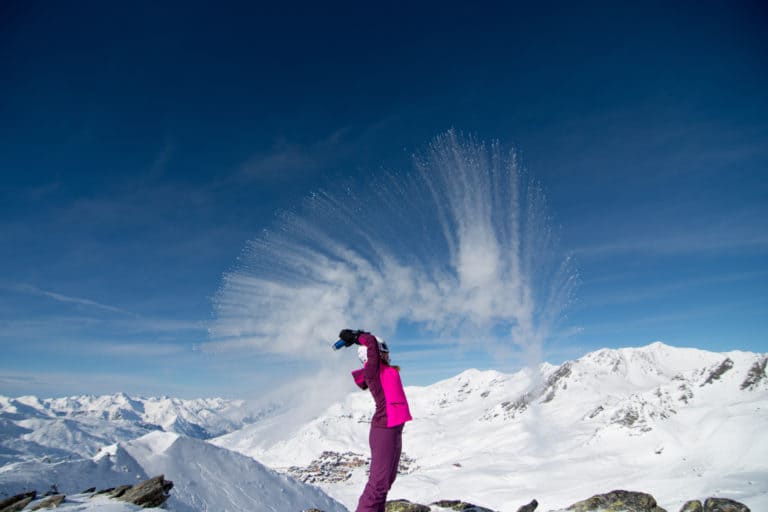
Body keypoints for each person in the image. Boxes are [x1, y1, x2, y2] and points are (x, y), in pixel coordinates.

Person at [338, 329, 412, 512]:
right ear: (376, 354)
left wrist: (362, 336)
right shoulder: (373, 371)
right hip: (384, 429)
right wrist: (357, 336)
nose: (389, 354)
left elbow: (372, 344)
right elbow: (370, 342)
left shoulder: (383, 370)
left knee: (387, 480)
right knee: (378, 484)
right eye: (384, 350)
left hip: (393, 429)